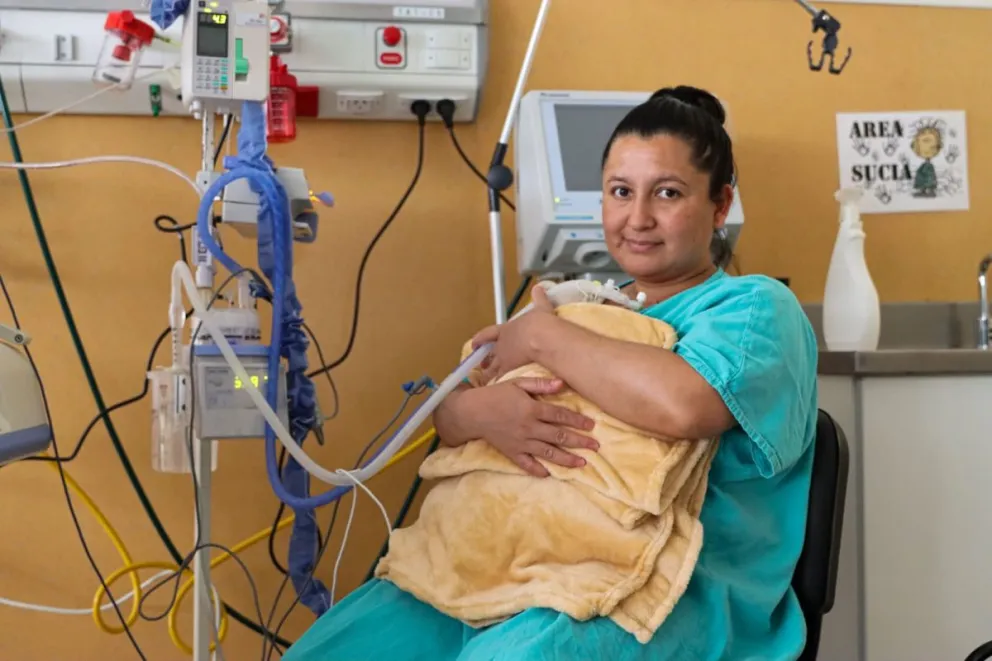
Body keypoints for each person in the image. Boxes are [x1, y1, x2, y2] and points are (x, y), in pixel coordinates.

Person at [283, 85, 819, 661]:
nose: (638, 218)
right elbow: (455, 404)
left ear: (719, 205)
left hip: (665, 597)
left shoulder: (753, 310)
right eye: (620, 192)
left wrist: (541, 334)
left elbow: (682, 407)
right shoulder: (584, 308)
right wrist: (477, 413)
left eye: (667, 193)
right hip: (511, 570)